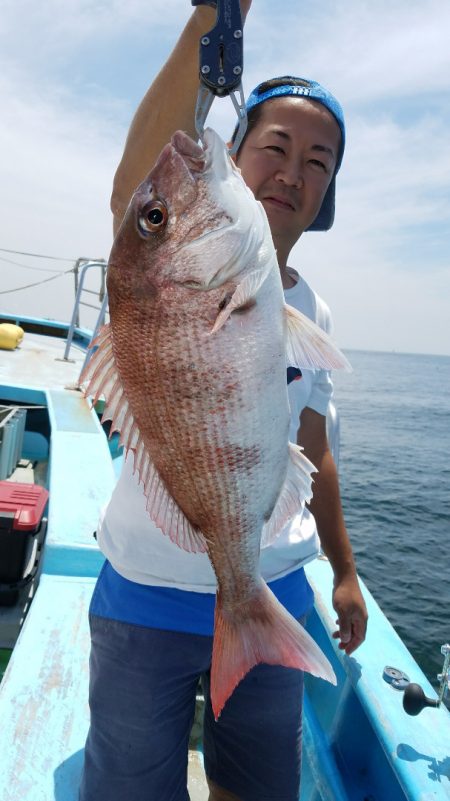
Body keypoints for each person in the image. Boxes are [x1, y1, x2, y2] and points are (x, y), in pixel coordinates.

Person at [79, 3, 368, 800]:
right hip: (148, 585)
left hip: (270, 583)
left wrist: (344, 573)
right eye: (274, 147)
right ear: (235, 156)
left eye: (319, 161)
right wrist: (210, 17)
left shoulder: (311, 310)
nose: (293, 171)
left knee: (253, 785)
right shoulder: (160, 271)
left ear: (329, 190)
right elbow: (137, 194)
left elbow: (316, 452)